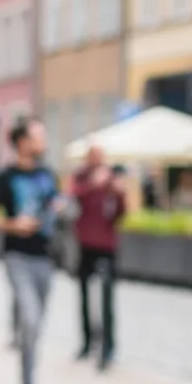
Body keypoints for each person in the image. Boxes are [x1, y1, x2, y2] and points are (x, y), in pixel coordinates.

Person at [0, 118, 61, 384]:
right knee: (31, 318)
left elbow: (54, 203)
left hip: (45, 259)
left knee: (36, 327)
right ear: (23, 142)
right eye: (39, 135)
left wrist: (58, 209)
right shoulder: (6, 178)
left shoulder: (49, 175)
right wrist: (14, 225)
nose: (44, 140)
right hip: (18, 258)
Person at [71, 148, 126, 369]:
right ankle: (87, 342)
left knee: (108, 298)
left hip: (107, 245)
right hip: (85, 244)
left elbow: (121, 212)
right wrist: (93, 184)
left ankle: (109, 346)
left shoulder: (112, 180)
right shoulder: (81, 177)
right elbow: (74, 197)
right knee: (84, 295)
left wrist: (118, 191)